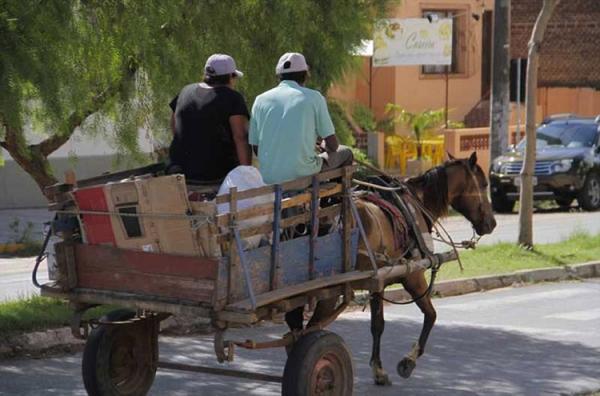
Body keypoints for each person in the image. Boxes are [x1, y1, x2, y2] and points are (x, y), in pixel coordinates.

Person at [249, 52, 353, 185]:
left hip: (268, 178)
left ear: (279, 76)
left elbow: (257, 148)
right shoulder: (314, 98)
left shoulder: (260, 100)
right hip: (303, 175)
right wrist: (323, 146)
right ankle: (335, 199)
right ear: (305, 75)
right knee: (346, 153)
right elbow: (333, 145)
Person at [168, 54, 251, 182]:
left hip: (179, 169)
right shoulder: (233, 98)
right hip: (216, 174)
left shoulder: (185, 91)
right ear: (230, 77)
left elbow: (174, 126)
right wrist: (247, 174)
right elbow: (240, 137)